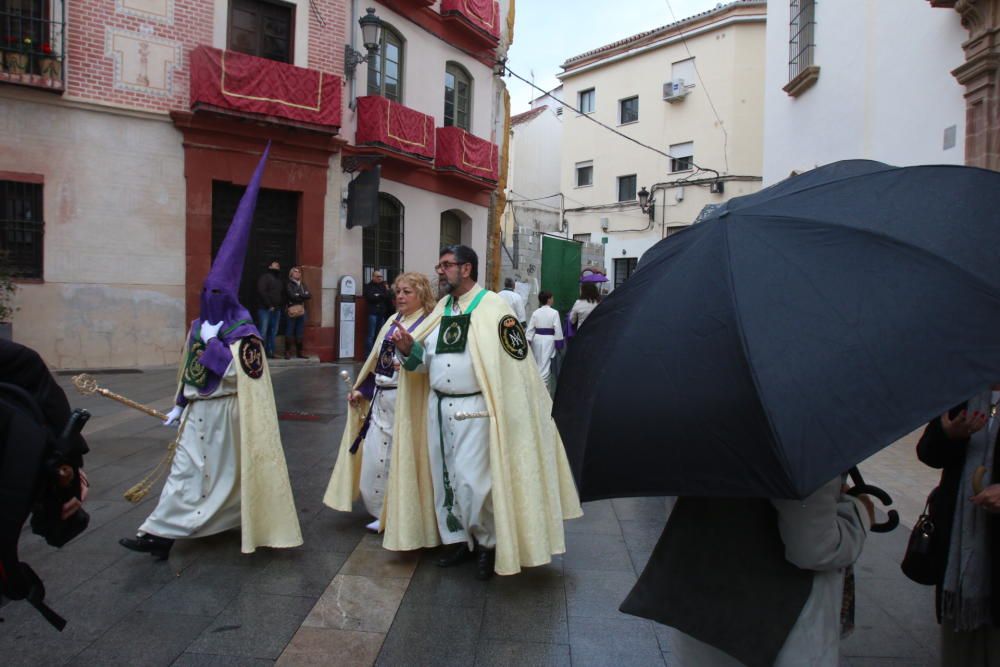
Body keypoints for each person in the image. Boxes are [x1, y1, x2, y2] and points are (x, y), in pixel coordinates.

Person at [119, 145, 301, 560]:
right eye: (206, 292)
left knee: (222, 478)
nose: (210, 297)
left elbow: (247, 375)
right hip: (198, 412)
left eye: (217, 293)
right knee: (186, 473)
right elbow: (188, 366)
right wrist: (180, 403)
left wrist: (218, 347)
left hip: (227, 415)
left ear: (230, 295)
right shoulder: (200, 325)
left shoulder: (245, 331)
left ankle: (229, 521)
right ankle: (159, 537)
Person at [387, 245, 582, 580]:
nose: (440, 271)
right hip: (438, 407)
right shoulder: (441, 310)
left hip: (475, 407)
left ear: (466, 269)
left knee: (472, 481)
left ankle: (489, 544)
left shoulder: (493, 308)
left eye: (447, 265)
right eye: (440, 265)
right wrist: (409, 351)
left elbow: (513, 364)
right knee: (445, 481)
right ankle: (462, 539)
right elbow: (425, 363)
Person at [659, 479, 873, 666]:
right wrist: (859, 512)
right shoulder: (801, 441)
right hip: (782, 625)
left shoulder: (688, 437)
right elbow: (814, 549)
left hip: (702, 611)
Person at [323, 272, 436, 533]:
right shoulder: (391, 321)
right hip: (381, 398)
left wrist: (409, 354)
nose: (400, 296)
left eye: (407, 291)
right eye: (398, 291)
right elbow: (376, 361)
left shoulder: (430, 323)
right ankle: (379, 510)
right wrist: (363, 389)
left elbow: (430, 362)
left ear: (422, 294)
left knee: (401, 458)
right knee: (375, 458)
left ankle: (397, 513)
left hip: (408, 400)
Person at [916, 385, 1000, 666]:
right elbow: (928, 453)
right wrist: (950, 436)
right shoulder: (961, 391)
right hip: (959, 559)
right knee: (959, 653)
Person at [526, 290, 564, 396]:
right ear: (548, 300)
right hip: (549, 340)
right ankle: (542, 391)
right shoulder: (554, 313)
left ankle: (537, 388)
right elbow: (558, 330)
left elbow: (530, 329)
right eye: (552, 298)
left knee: (538, 363)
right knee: (545, 365)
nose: (553, 300)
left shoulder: (535, 312)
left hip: (537, 340)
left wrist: (528, 340)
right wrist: (559, 343)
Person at [256, 259, 284, 359]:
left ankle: (271, 352)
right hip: (265, 309)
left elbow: (281, 294)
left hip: (277, 309)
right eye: (275, 265)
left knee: (273, 332)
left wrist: (279, 306)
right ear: (270, 267)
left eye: (278, 265)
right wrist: (269, 305)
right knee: (263, 331)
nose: (277, 266)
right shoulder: (265, 277)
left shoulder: (279, 280)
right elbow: (262, 291)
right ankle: (260, 354)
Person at [364, 271, 393, 355]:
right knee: (371, 335)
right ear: (373, 277)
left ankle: (379, 354)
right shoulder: (369, 286)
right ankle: (368, 355)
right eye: (378, 276)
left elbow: (388, 297)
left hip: (382, 314)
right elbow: (370, 297)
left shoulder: (383, 286)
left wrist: (379, 295)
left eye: (381, 276)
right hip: (373, 313)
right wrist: (381, 296)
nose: (380, 278)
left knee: (381, 334)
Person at [284, 266, 310, 359]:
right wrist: (302, 295)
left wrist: (299, 294)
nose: (298, 273)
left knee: (300, 331)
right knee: (289, 330)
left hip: (302, 310)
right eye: (295, 272)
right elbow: (291, 296)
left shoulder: (302, 284)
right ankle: (287, 352)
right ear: (291, 274)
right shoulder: (288, 284)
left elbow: (308, 295)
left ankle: (300, 352)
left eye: (299, 272)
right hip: (292, 309)